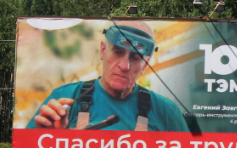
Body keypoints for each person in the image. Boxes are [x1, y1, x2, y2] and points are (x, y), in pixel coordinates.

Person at [27, 20, 189, 132]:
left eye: (135, 58)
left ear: (145, 65)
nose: (124, 66)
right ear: (103, 50)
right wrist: (45, 138)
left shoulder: (167, 112)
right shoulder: (64, 99)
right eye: (118, 52)